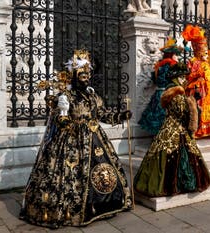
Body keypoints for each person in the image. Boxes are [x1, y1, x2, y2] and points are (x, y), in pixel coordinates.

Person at [19, 50, 132, 228]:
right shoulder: (67, 96)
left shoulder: (93, 96)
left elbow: (102, 114)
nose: (86, 78)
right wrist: (64, 121)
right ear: (74, 76)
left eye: (88, 75)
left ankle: (105, 203)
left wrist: (121, 116)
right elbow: (59, 116)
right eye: (82, 75)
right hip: (71, 139)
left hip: (94, 137)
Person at [134, 62, 210, 197]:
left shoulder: (171, 93)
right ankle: (172, 185)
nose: (184, 80)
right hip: (176, 128)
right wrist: (193, 103)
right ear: (176, 78)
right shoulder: (176, 94)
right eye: (182, 77)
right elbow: (181, 112)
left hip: (168, 127)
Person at [138, 37, 183, 135]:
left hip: (158, 93)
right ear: (171, 55)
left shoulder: (159, 65)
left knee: (157, 117)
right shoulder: (171, 65)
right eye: (176, 55)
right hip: (168, 94)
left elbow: (154, 79)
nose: (177, 57)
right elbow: (169, 80)